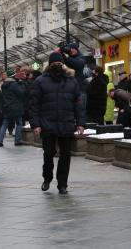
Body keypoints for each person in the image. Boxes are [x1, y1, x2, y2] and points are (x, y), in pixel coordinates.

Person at [30, 52, 85, 195]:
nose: (57, 66)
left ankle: (62, 184)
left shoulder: (72, 81)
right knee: (49, 153)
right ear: (49, 65)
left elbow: (78, 104)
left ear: (63, 64)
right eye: (54, 64)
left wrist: (80, 123)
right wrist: (35, 124)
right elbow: (34, 105)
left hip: (66, 123)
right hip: (47, 123)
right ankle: (47, 178)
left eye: (60, 64)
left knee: (65, 155)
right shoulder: (40, 81)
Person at [0, 70, 27, 147]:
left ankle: (0, 141)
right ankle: (17, 140)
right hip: (16, 107)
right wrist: (22, 84)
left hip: (7, 107)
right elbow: (21, 93)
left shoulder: (4, 84)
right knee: (19, 123)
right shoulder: (14, 84)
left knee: (4, 124)